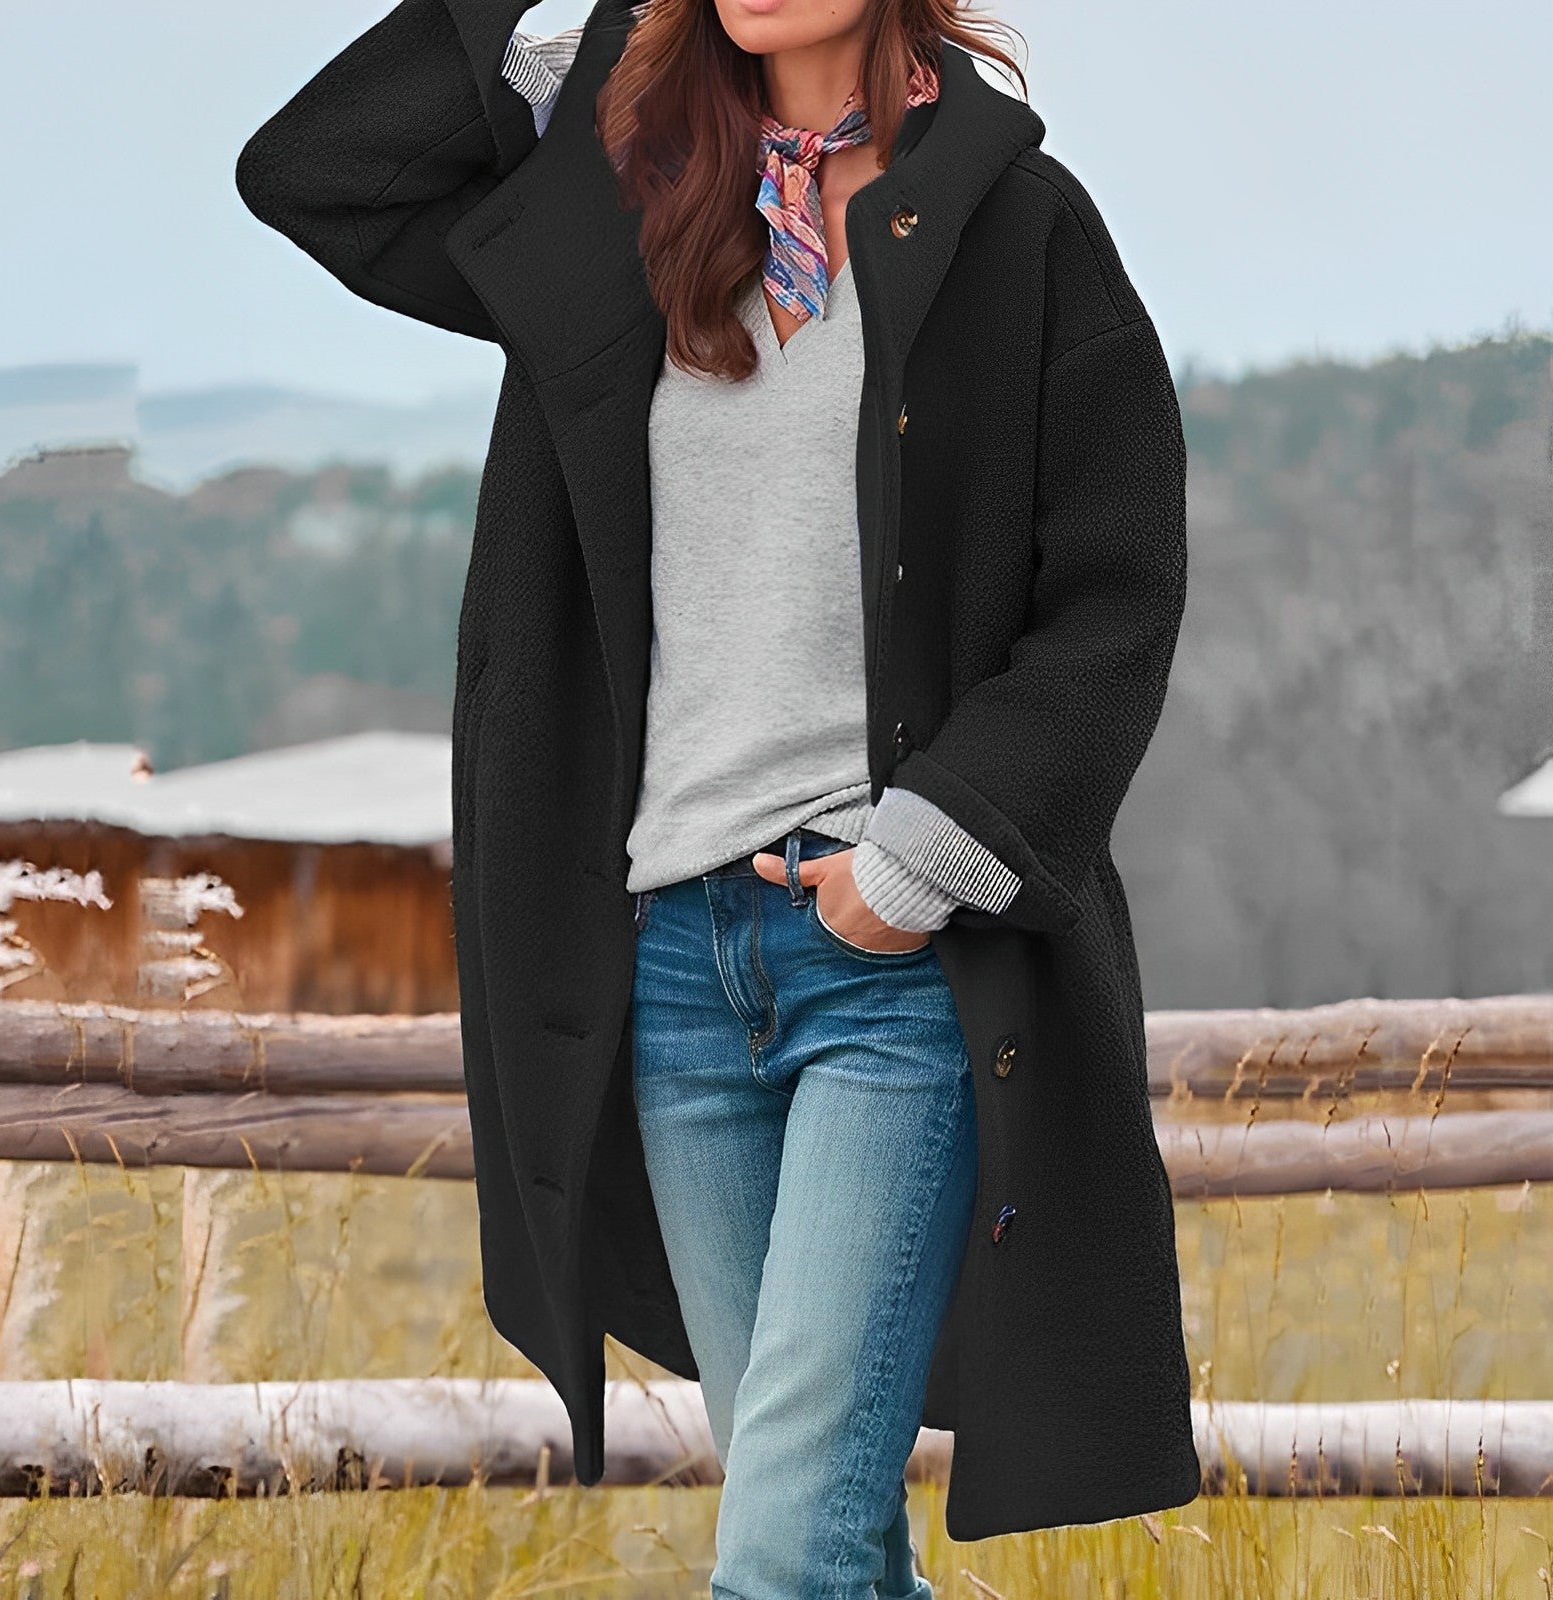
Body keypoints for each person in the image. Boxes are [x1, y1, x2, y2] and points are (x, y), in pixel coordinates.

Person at [235, 0, 1203, 1589]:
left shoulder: (1016, 224)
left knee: (779, 1552)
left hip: (894, 959)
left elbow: (1115, 596)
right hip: (672, 969)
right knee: (822, 1534)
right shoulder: (622, 205)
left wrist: (919, 863)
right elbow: (315, 174)